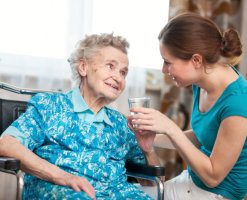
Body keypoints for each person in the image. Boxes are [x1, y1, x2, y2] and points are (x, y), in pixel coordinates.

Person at [0, 33, 156, 200]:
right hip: (59, 190)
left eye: (124, 72)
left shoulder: (121, 123)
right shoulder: (50, 106)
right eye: (110, 66)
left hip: (115, 194)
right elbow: (6, 145)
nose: (118, 77)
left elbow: (151, 183)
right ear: (83, 67)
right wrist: (63, 177)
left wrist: (149, 150)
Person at [128, 13, 247, 200]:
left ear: (196, 60)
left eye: (168, 62)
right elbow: (202, 136)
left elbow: (213, 177)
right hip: (190, 181)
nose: (164, 70)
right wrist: (151, 138)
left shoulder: (238, 104)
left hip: (216, 194)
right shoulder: (202, 82)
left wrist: (170, 128)